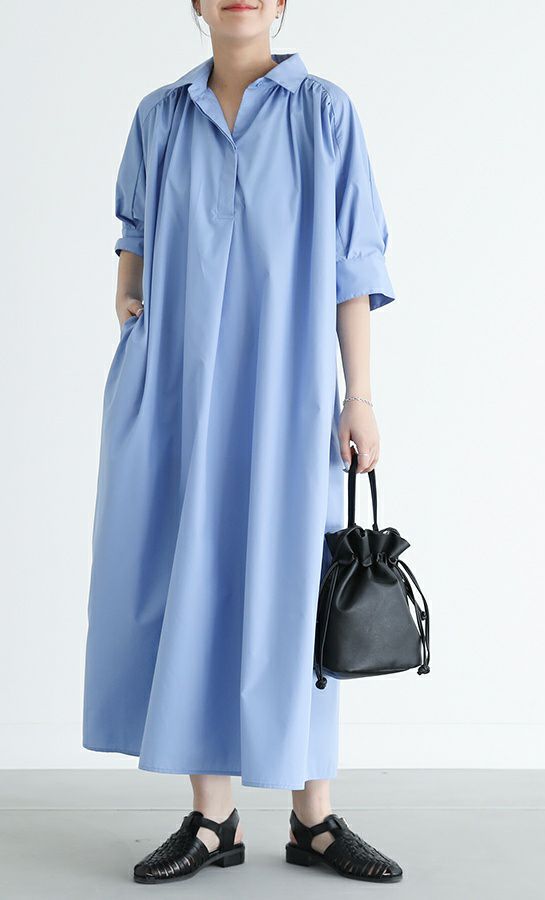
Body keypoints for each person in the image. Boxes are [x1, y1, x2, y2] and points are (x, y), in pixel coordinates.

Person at [82, 0, 402, 884]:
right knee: (189, 580)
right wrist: (129, 299)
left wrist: (359, 396)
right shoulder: (160, 117)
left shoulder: (323, 112)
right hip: (177, 389)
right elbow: (134, 232)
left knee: (297, 587)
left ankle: (315, 820)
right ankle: (212, 818)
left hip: (287, 392)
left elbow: (353, 263)